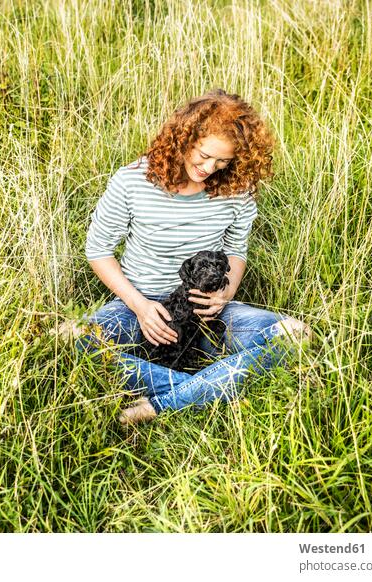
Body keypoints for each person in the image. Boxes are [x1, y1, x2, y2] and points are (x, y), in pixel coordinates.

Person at [75, 89, 310, 426]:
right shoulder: (132, 180)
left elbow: (235, 251)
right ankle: (206, 389)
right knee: (74, 343)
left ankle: (159, 405)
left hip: (206, 310)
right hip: (140, 304)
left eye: (222, 162)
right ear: (184, 138)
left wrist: (225, 295)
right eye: (204, 155)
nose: (209, 168)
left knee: (295, 338)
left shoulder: (236, 190)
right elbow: (98, 250)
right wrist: (141, 306)